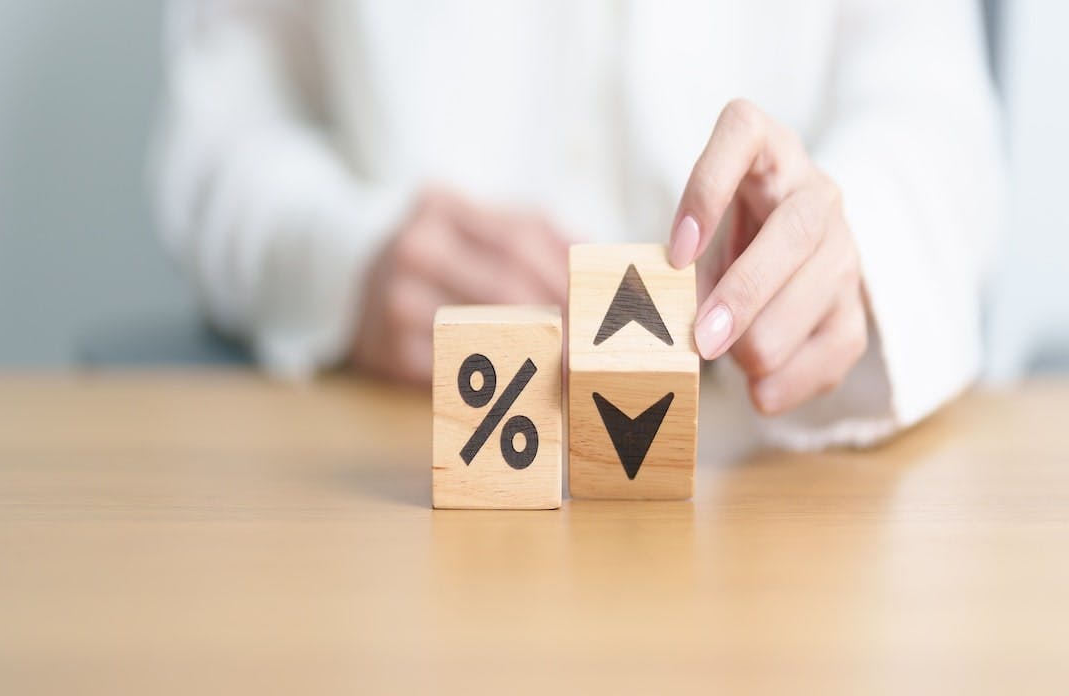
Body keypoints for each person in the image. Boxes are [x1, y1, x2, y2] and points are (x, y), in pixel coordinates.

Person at [153, 0, 1002, 449]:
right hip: (390, 437)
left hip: (758, 465)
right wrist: (350, 252)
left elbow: (937, 116)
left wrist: (850, 246)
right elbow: (220, 125)